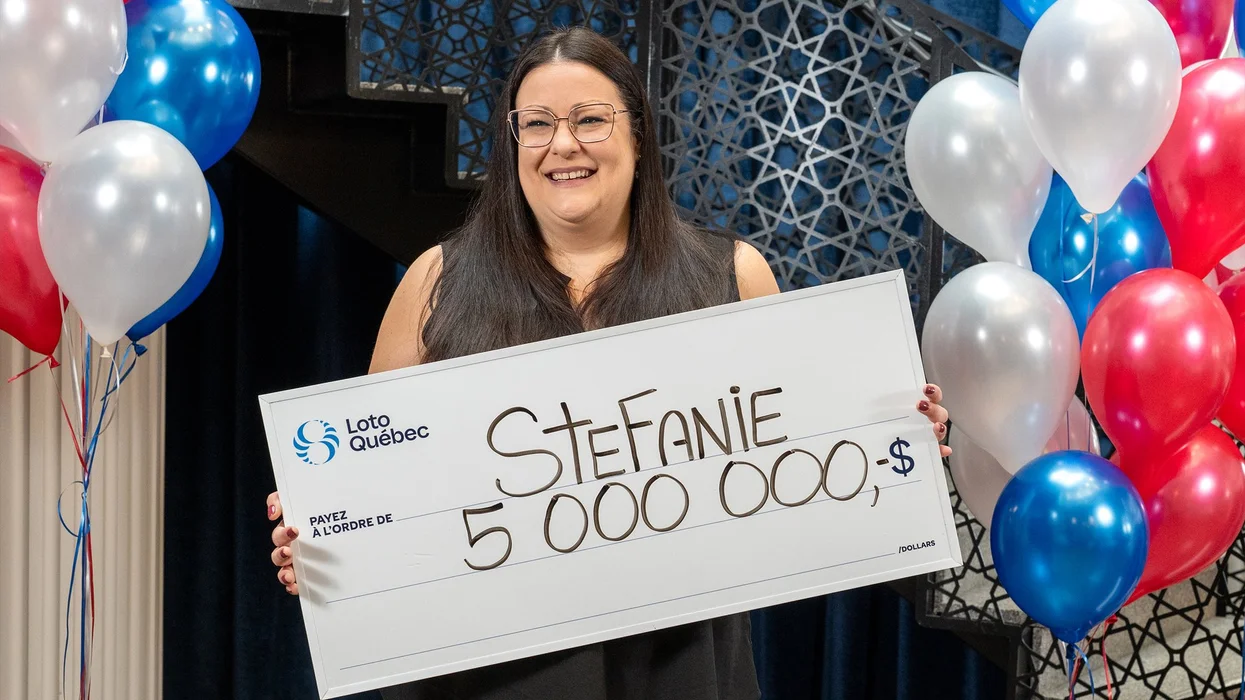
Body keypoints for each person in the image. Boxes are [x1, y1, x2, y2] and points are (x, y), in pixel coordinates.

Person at [265, 26, 951, 700]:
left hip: (679, 670)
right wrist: (324, 539)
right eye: (536, 124)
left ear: (636, 133)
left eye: (589, 119)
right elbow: (372, 494)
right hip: (492, 680)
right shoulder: (436, 282)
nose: (562, 144)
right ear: (512, 143)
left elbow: (813, 462)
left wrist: (897, 438)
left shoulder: (730, 276)